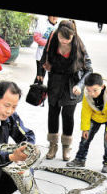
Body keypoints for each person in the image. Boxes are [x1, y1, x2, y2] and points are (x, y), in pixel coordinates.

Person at [38, 20, 93, 161]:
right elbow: (43, 58)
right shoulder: (53, 38)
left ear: (73, 36)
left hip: (72, 85)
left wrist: (80, 86)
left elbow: (89, 70)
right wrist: (40, 75)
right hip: (55, 81)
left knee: (68, 116)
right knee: (53, 113)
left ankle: (66, 147)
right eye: (61, 37)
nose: (63, 41)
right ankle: (52, 145)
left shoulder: (79, 46)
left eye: (67, 39)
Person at [66, 73, 107, 173]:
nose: (92, 93)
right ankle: (80, 159)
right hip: (95, 116)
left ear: (102, 86)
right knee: (85, 138)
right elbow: (86, 112)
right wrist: (85, 128)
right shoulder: (87, 95)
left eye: (95, 90)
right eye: (89, 90)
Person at [33, 16, 58, 84]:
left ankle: (40, 93)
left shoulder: (59, 27)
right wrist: (48, 43)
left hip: (52, 57)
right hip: (41, 55)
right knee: (39, 76)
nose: (55, 17)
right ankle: (33, 93)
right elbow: (36, 37)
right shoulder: (42, 24)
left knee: (47, 77)